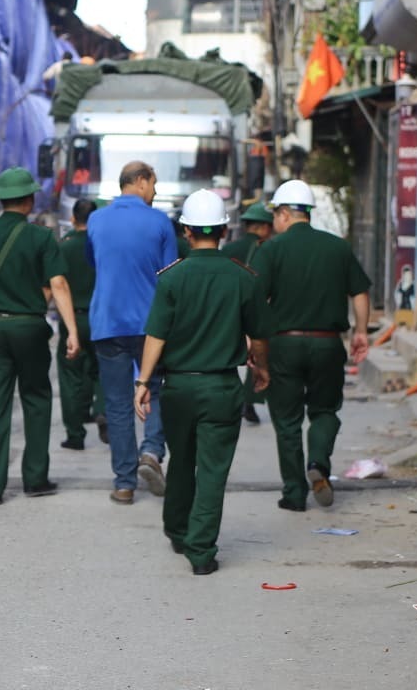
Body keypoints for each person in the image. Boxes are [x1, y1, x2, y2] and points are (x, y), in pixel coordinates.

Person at [137, 190, 271, 575]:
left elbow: (156, 335)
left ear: (186, 230)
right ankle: (201, 550)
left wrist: (142, 381)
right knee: (212, 469)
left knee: (182, 460)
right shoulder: (243, 278)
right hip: (222, 388)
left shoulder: (172, 277)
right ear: (225, 230)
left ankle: (178, 529)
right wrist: (262, 369)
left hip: (178, 388)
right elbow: (258, 337)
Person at [0, 167, 80, 505]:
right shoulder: (40, 237)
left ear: (2, 200)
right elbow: (59, 284)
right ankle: (35, 479)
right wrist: (71, 331)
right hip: (30, 327)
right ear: (30, 199)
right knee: (36, 398)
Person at [250, 179, 372, 512]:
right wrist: (361, 331)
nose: (274, 220)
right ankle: (318, 461)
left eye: (276, 213)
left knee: (287, 421)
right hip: (327, 345)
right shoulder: (338, 247)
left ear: (286, 214)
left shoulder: (270, 250)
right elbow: (360, 292)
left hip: (284, 347)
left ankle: (293, 493)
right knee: (325, 411)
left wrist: (253, 344)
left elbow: (255, 299)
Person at [85, 161, 178, 504]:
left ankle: (124, 483)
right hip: (150, 324)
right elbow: (170, 276)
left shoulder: (96, 219)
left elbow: (96, 262)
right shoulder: (159, 221)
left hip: (107, 322)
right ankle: (152, 451)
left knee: (118, 403)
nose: (155, 192)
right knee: (155, 387)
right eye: (153, 184)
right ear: (139, 182)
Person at [221, 201, 275, 425]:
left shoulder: (229, 249)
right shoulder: (267, 249)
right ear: (264, 227)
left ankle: (230, 401)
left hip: (229, 310)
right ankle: (249, 400)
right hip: (256, 309)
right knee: (257, 355)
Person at [57, 198, 102, 450]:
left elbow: (54, 284)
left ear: (73, 219)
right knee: (104, 368)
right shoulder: (103, 246)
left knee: (70, 375)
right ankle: (101, 409)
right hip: (101, 317)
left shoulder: (63, 247)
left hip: (71, 318)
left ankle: (75, 434)